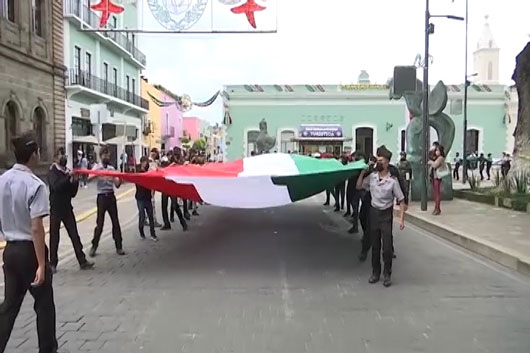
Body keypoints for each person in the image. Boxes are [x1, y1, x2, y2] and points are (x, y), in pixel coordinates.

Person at [0, 132, 58, 353]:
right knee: (44, 305)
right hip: (30, 251)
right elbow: (36, 228)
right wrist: (42, 264)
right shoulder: (35, 185)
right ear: (34, 155)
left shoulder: (2, 181)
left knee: (9, 306)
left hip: (10, 249)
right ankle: (48, 350)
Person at [357, 145, 405, 287]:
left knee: (387, 247)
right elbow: (359, 186)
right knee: (375, 246)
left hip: (386, 215)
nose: (378, 163)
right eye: (377, 160)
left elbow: (401, 200)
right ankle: (375, 273)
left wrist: (401, 219)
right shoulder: (372, 177)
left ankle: (387, 274)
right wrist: (362, 173)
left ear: (387, 163)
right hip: (374, 213)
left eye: (381, 160)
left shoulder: (392, 181)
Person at [48, 148, 94, 273]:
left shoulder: (67, 172)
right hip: (56, 209)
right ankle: (52, 263)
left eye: (64, 154)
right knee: (54, 237)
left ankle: (82, 261)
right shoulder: (53, 171)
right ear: (56, 158)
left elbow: (72, 193)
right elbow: (56, 186)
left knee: (74, 235)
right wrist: (69, 178)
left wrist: (74, 182)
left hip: (67, 208)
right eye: (61, 154)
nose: (64, 157)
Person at [89, 147, 125, 257]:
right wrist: (98, 173)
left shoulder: (111, 168)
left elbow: (117, 185)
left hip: (110, 196)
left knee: (115, 222)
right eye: (105, 155)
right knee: (100, 223)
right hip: (101, 197)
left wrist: (119, 177)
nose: (107, 157)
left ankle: (119, 246)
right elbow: (89, 178)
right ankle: (94, 246)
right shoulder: (97, 167)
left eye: (108, 155)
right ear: (101, 156)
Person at [135, 157, 158, 241]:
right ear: (142, 162)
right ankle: (141, 231)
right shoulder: (138, 173)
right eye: (145, 162)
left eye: (147, 162)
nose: (146, 164)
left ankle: (153, 234)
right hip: (140, 198)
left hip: (147, 197)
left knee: (151, 216)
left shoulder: (148, 172)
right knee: (142, 216)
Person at [428, 144, 447, 215]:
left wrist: (431, 162)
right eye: (436, 150)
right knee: (436, 193)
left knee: (437, 194)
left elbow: (435, 165)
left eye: (437, 150)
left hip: (437, 177)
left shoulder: (440, 158)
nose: (436, 152)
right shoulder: (436, 157)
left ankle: (437, 208)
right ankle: (436, 208)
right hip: (434, 177)